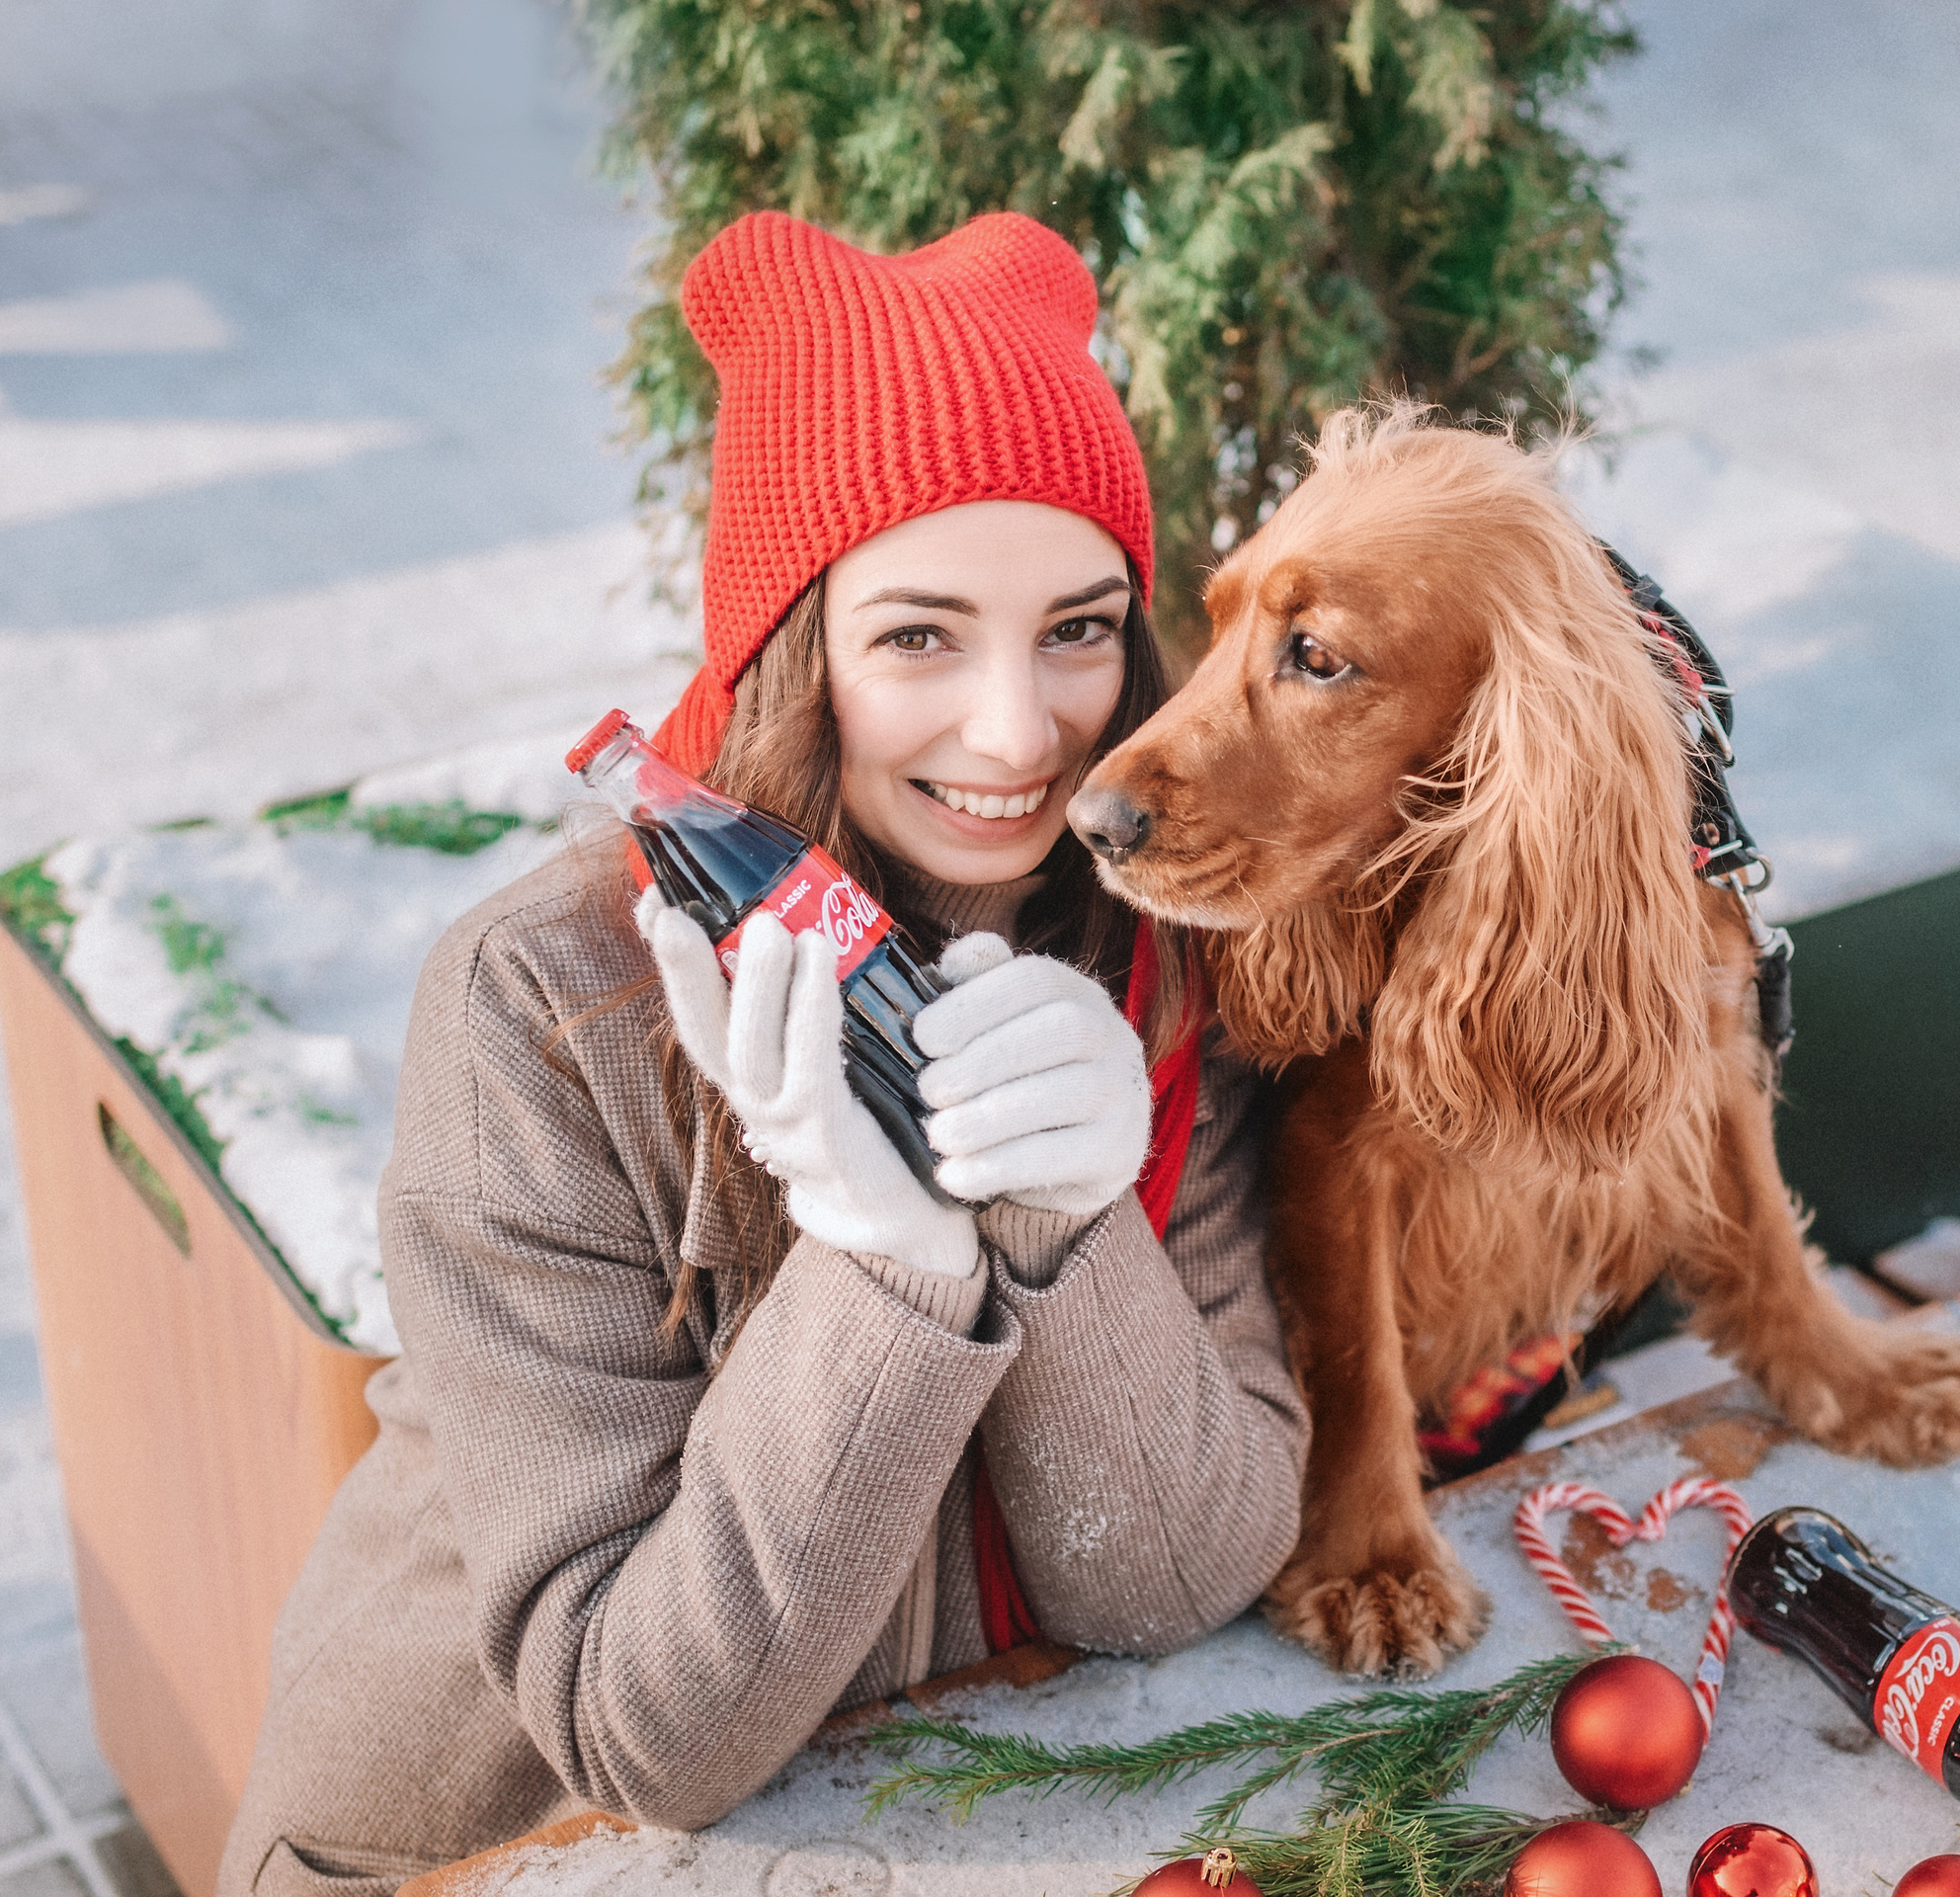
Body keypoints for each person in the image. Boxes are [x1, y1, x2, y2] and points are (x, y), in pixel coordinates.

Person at [217, 209, 1307, 1897]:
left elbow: (1168, 1581)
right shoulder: (545, 1005)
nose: (1021, 732)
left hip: (947, 1812)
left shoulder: (1153, 951)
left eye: (1079, 629)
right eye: (919, 637)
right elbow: (649, 1741)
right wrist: (880, 1268)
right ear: (796, 649)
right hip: (498, 1849)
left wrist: (1066, 1229)